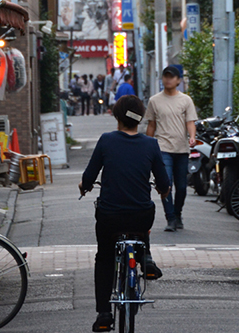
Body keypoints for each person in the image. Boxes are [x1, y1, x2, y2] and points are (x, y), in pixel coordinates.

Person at [79, 95, 170, 332]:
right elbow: (163, 181)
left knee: (105, 257)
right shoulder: (151, 144)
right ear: (139, 119)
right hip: (140, 216)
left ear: (117, 117)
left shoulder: (106, 141)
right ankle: (145, 256)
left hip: (109, 216)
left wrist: (85, 186)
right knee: (143, 212)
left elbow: (89, 177)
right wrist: (163, 189)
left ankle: (104, 314)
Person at [144, 66, 197, 232]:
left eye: (172, 77)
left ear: (178, 80)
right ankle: (171, 218)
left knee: (181, 187)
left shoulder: (186, 100)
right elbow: (151, 124)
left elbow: (190, 121)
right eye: (166, 77)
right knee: (165, 184)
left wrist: (192, 137)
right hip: (162, 148)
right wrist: (147, 144)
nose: (168, 80)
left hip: (181, 149)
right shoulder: (154, 101)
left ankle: (178, 213)